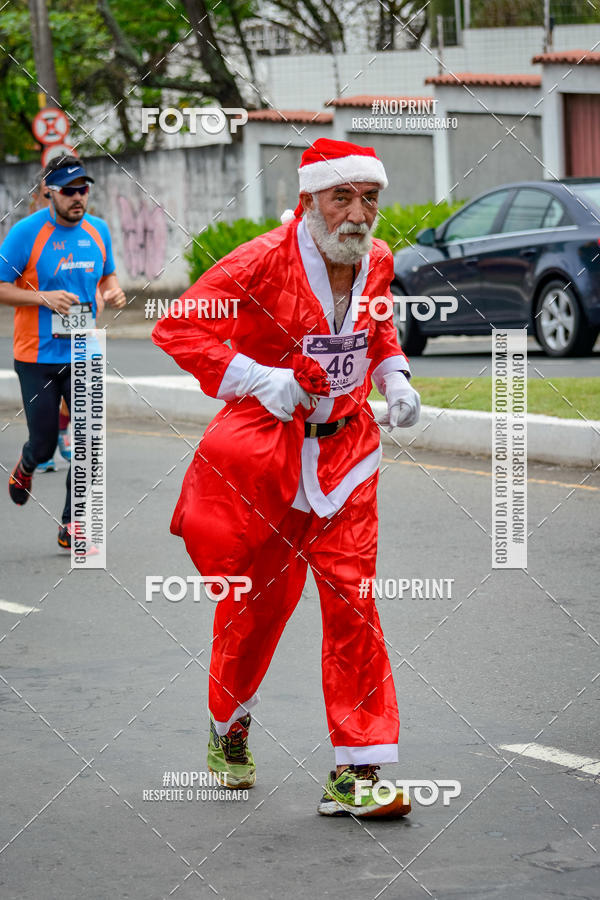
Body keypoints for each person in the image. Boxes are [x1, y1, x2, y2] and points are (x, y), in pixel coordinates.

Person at [152, 138, 421, 818]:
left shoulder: (376, 261)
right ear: (309, 202)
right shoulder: (262, 261)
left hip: (348, 459)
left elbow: (378, 325)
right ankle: (228, 725)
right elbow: (179, 328)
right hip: (268, 463)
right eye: (343, 197)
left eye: (370, 198)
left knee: (355, 606)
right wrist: (260, 379)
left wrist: (396, 377)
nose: (359, 214)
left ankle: (359, 771)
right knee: (254, 609)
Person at [0, 155, 126, 547]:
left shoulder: (98, 229)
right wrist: (41, 297)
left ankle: (73, 522)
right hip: (36, 355)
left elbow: (106, 274)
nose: (78, 197)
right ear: (47, 193)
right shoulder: (25, 234)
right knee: (44, 441)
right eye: (69, 190)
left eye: (83, 189)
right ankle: (29, 462)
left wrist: (111, 291)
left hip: (84, 350)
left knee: (87, 440)